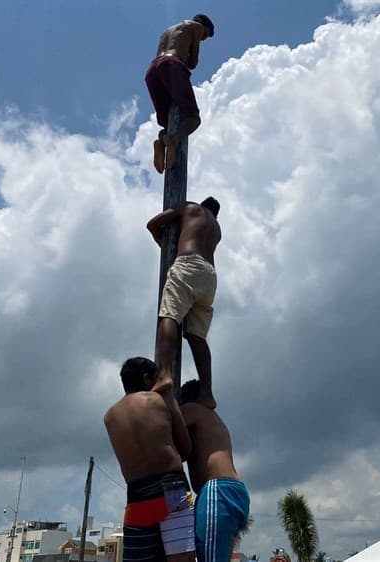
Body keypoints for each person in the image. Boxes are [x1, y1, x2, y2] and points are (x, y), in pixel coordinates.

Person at [104, 357, 195, 562]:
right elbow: (186, 448)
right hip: (172, 488)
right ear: (147, 379)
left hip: (137, 496)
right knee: (182, 559)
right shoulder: (161, 400)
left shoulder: (110, 416)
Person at [147, 197, 221, 409]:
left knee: (169, 316)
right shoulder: (217, 229)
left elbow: (152, 223)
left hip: (188, 262)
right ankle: (207, 393)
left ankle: (164, 376)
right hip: (210, 276)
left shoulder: (190, 207)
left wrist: (161, 240)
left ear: (202, 204)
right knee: (197, 335)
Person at [180, 379, 250, 562]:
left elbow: (165, 426)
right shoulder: (212, 418)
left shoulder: (192, 410)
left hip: (217, 492)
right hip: (233, 490)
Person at [145, 14, 215, 173]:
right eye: (204, 36)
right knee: (193, 118)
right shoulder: (195, 27)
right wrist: (193, 45)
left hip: (153, 70)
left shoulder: (167, 31)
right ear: (202, 25)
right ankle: (174, 141)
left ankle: (161, 142)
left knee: (167, 124)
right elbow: (193, 63)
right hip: (172, 65)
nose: (202, 39)